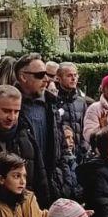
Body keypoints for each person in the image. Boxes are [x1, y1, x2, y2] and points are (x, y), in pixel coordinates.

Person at [13, 53, 68, 201]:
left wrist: (65, 181)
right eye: (40, 75)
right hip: (23, 187)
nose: (46, 79)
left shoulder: (51, 105)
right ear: (23, 77)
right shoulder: (10, 106)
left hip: (52, 186)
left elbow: (62, 147)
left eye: (47, 74)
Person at [54, 62, 88, 159]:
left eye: (75, 75)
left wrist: (84, 147)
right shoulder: (53, 100)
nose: (73, 78)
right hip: (60, 154)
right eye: (69, 75)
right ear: (59, 78)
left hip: (79, 154)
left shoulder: (81, 102)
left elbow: (84, 127)